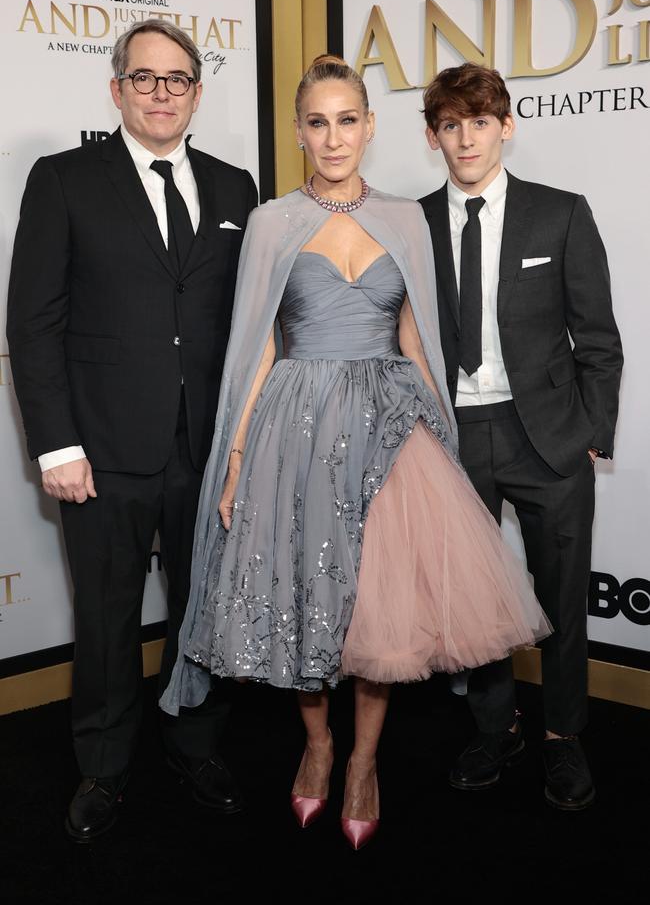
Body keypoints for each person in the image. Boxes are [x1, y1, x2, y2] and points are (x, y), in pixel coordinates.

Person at [161, 54, 550, 849]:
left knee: (382, 607)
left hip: (389, 423)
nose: (333, 137)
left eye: (347, 120)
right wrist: (235, 459)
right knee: (306, 599)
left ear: (369, 128)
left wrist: (440, 437)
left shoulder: (408, 218)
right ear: (300, 132)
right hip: (291, 426)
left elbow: (416, 336)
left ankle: (365, 761)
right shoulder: (272, 221)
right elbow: (258, 348)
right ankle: (318, 746)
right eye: (317, 122)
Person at [7, 19, 258, 842]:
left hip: (208, 452)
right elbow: (33, 322)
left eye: (177, 78)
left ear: (196, 91)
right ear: (116, 89)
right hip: (101, 455)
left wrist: (246, 440)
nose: (161, 92)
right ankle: (103, 768)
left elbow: (243, 325)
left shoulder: (235, 188)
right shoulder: (64, 179)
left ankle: (195, 743)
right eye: (144, 78)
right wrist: (56, 444)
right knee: (109, 622)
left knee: (202, 613)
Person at [418, 63, 623, 810]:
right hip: (453, 437)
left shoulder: (560, 213)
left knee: (564, 598)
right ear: (432, 135)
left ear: (506, 126)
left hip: (549, 437)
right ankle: (494, 725)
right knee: (474, 604)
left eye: (479, 121)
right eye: (450, 124)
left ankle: (563, 739)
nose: (465, 138)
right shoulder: (410, 224)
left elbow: (598, 336)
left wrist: (593, 432)